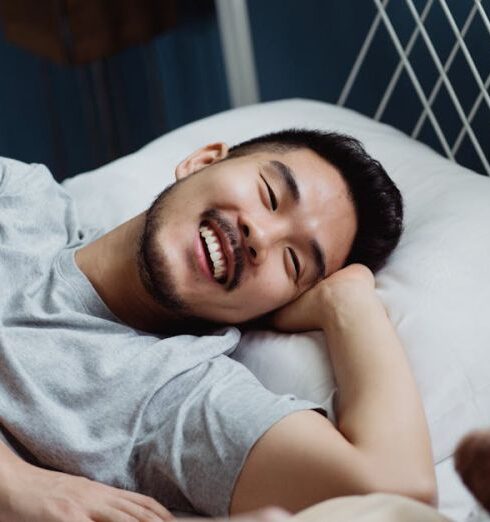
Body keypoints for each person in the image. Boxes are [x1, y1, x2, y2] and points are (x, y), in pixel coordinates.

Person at [0, 129, 436, 522]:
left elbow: (396, 488)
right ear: (202, 162)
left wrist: (347, 301)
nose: (259, 236)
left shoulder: (180, 396)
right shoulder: (19, 199)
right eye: (269, 194)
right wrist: (16, 483)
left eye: (293, 262)